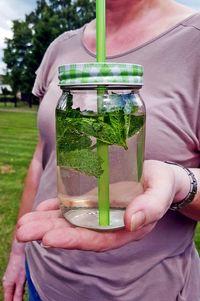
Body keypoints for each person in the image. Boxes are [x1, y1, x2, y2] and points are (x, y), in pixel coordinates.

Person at [3, 0, 200, 300]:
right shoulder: (61, 46)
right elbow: (42, 157)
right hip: (44, 276)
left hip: (142, 292)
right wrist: (20, 250)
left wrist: (179, 183)